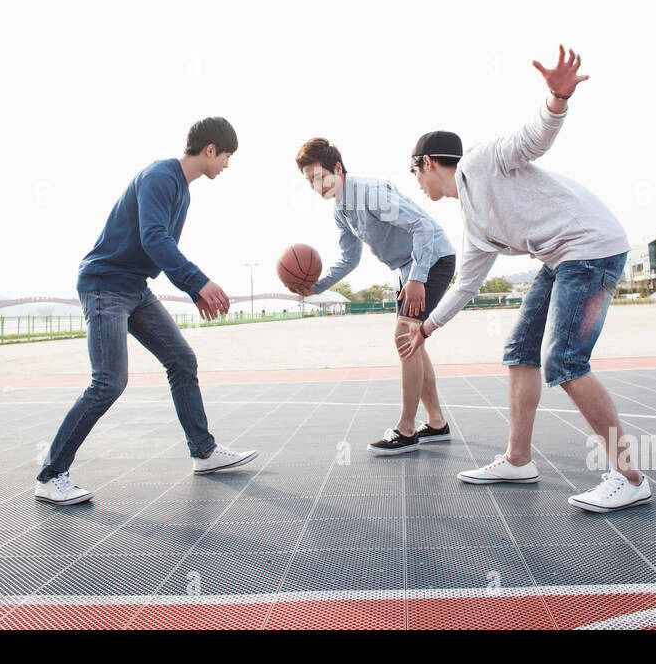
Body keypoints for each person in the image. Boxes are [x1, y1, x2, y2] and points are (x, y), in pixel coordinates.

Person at [396, 44, 650, 512]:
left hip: (592, 249)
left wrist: (557, 100)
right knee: (519, 352)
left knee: (565, 360)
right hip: (561, 259)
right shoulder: (474, 223)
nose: (416, 181)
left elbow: (532, 139)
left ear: (428, 162)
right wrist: (426, 329)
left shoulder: (481, 161)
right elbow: (467, 286)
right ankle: (517, 460)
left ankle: (629, 475)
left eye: (415, 171)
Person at [34, 117, 257, 506]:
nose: (226, 164)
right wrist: (199, 282)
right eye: (226, 156)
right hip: (105, 285)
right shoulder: (160, 175)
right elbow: (153, 237)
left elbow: (158, 247)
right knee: (108, 382)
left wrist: (194, 291)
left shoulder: (183, 191)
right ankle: (51, 476)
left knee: (181, 359)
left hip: (134, 287)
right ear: (209, 150)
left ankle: (203, 452)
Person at [290, 138, 457, 455]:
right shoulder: (341, 210)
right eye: (309, 181)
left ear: (337, 168)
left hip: (432, 259)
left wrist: (419, 277)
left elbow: (422, 226)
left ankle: (406, 430)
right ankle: (436, 423)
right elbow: (350, 259)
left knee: (405, 337)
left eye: (318, 176)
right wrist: (317, 287)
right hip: (408, 268)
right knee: (413, 341)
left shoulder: (370, 193)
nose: (315, 186)